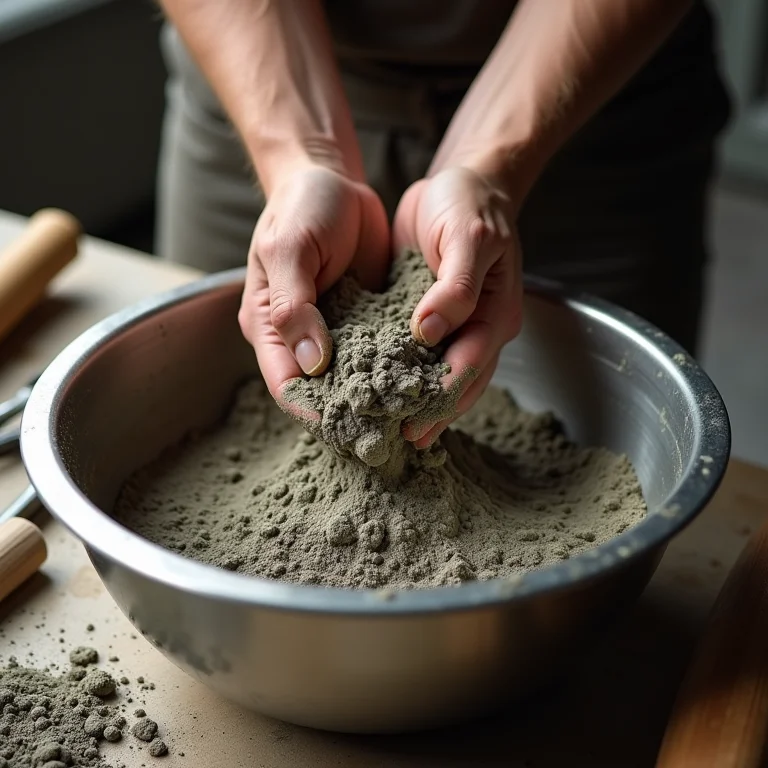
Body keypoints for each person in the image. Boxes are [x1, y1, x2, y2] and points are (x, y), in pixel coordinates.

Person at [154, 0, 730, 447]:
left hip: (594, 94)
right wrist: (301, 158)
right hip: (254, 69)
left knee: (610, 425)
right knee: (212, 393)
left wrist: (490, 166)